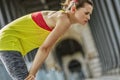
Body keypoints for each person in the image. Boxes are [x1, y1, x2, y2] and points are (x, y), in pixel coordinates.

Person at [0, 0, 93, 80]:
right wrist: (33, 72)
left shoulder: (61, 17)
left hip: (9, 40)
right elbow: (44, 48)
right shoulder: (64, 20)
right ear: (73, 9)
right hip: (9, 40)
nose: (88, 17)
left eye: (90, 14)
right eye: (86, 13)